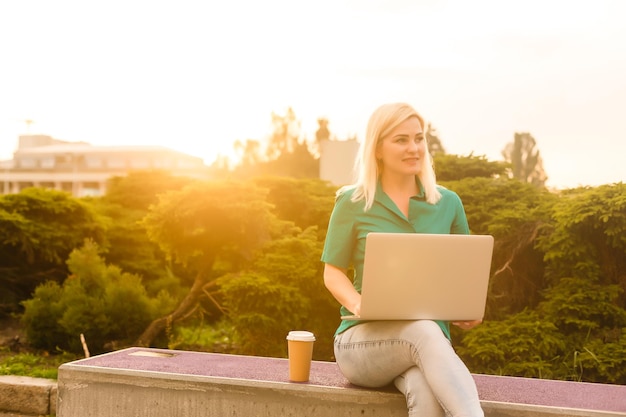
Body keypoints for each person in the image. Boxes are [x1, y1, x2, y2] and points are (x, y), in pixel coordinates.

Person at [321, 102, 484, 417]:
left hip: (429, 345)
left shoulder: (448, 203)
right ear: (378, 148)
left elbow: (464, 275)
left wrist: (467, 310)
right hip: (361, 344)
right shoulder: (352, 202)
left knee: (425, 389)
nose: (414, 148)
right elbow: (333, 273)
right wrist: (357, 303)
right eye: (401, 140)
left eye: (419, 138)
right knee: (422, 330)